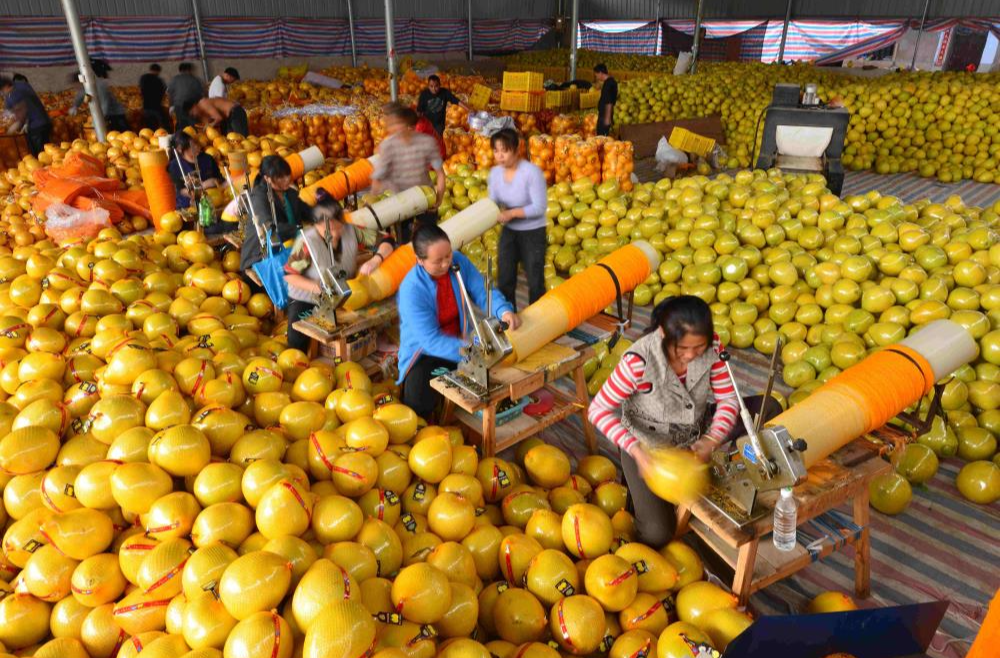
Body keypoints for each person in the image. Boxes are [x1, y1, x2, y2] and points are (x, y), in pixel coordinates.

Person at [588, 296, 781, 548]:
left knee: (770, 409)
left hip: (696, 429)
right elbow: (598, 410)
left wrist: (710, 440)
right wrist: (636, 451)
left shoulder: (712, 347)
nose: (690, 355)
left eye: (698, 347)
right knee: (657, 534)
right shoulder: (638, 362)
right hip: (650, 448)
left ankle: (750, 474)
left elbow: (728, 402)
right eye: (681, 348)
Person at [397, 225, 520, 420]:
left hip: (463, 341)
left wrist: (503, 310)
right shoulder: (411, 290)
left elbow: (482, 291)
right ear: (420, 261)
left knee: (495, 380)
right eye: (438, 261)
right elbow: (431, 341)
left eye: (448, 255)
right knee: (419, 402)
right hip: (426, 354)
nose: (447, 264)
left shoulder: (458, 262)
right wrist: (471, 350)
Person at [283, 189, 397, 351]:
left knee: (373, 318)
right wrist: (319, 288)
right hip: (308, 297)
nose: (335, 235)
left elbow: (387, 240)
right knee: (298, 344)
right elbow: (289, 276)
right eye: (329, 231)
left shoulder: (352, 230)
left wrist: (376, 260)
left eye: (338, 228)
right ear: (316, 225)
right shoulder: (306, 242)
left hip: (345, 292)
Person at [488, 128, 548, 308]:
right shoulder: (495, 173)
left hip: (533, 232)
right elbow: (493, 201)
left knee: (535, 279)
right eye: (496, 150)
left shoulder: (531, 172)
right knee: (505, 278)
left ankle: (539, 321)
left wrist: (512, 213)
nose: (499, 156)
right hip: (509, 231)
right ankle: (508, 318)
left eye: (504, 151)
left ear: (516, 149)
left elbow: (539, 207)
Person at [371, 104, 445, 243]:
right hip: (402, 202)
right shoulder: (387, 146)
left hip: (426, 199)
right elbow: (378, 177)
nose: (392, 128)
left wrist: (439, 198)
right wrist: (374, 199)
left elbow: (440, 173)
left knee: (429, 241)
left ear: (408, 125)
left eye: (396, 124)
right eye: (391, 124)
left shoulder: (427, 143)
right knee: (405, 244)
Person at [240, 155, 310, 273]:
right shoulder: (259, 197)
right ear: (267, 179)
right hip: (261, 257)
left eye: (287, 175)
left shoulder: (289, 194)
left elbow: (308, 211)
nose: (287, 179)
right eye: (280, 177)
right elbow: (268, 228)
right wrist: (299, 230)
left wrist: (325, 213)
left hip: (288, 250)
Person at [166, 130, 221, 209]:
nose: (197, 147)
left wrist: (216, 181)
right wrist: (203, 185)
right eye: (193, 146)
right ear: (180, 149)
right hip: (187, 207)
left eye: (196, 144)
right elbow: (179, 191)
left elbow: (219, 179)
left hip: (213, 202)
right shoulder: (174, 166)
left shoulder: (207, 159)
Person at [70, 59, 129, 132]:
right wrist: (75, 106)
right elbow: (81, 95)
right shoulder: (85, 86)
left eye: (76, 85)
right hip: (105, 114)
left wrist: (98, 120)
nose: (75, 88)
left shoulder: (99, 85)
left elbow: (105, 103)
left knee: (121, 133)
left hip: (115, 114)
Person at [0, 75, 51, 157]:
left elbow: (21, 114)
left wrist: (11, 129)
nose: (3, 93)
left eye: (2, 91)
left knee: (41, 155)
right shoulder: (22, 84)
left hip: (36, 127)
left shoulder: (14, 94)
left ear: (5, 87)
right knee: (48, 150)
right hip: (45, 121)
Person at [185, 96, 249, 137]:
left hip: (235, 112)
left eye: (193, 112)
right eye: (192, 115)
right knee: (228, 139)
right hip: (226, 118)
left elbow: (218, 118)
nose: (194, 114)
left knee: (240, 138)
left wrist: (210, 126)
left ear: (194, 105)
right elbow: (207, 123)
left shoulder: (204, 103)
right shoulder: (201, 113)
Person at [168, 63, 205, 130]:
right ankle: (192, 137)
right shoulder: (195, 80)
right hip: (192, 107)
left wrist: (171, 106)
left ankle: (180, 138)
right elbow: (201, 95)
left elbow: (170, 93)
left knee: (180, 123)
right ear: (189, 70)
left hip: (178, 106)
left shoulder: (175, 79)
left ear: (180, 70)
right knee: (192, 125)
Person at [139, 64, 169, 130]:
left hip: (146, 106)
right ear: (158, 71)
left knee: (150, 127)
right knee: (164, 125)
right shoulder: (159, 80)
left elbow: (141, 90)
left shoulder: (143, 78)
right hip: (156, 107)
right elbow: (164, 92)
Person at [593, 63, 618, 137]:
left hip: (604, 116)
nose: (596, 77)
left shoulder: (608, 84)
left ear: (600, 73)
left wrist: (607, 119)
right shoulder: (610, 82)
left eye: (596, 75)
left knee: (602, 137)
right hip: (604, 114)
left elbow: (609, 102)